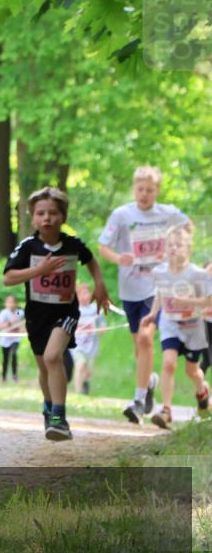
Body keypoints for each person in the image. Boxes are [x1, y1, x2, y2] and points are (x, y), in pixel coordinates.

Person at [3, 187, 110, 441]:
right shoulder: (28, 247)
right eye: (40, 213)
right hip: (37, 315)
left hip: (66, 312)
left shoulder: (72, 245)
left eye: (53, 213)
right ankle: (49, 408)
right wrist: (39, 270)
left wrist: (100, 285)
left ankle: (59, 418)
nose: (47, 218)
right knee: (43, 365)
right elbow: (8, 278)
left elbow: (91, 259)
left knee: (53, 357)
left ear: (63, 216)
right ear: (33, 218)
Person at [97, 166, 191, 423]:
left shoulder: (167, 213)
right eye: (140, 189)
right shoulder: (122, 214)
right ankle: (149, 381)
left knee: (147, 337)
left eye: (150, 190)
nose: (144, 194)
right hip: (130, 288)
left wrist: (174, 251)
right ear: (134, 189)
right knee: (140, 346)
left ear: (157, 191)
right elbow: (103, 246)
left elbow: (188, 228)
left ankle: (138, 401)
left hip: (159, 286)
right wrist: (120, 258)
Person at [140, 226, 212, 427]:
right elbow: (160, 293)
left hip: (193, 327)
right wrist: (153, 314)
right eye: (170, 245)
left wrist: (190, 302)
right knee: (168, 363)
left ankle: (202, 391)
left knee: (192, 371)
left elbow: (208, 301)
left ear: (188, 249)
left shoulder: (197, 274)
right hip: (170, 323)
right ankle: (166, 410)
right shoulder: (161, 272)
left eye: (179, 245)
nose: (174, 249)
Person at [71, 283, 106, 395]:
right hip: (78, 345)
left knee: (88, 371)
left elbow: (102, 324)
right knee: (80, 365)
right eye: (82, 294)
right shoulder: (73, 310)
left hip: (91, 345)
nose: (86, 296)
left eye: (87, 293)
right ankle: (78, 393)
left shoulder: (95, 309)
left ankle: (85, 381)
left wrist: (102, 329)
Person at [0, 294, 24, 383]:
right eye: (9, 302)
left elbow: (22, 322)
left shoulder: (18, 312)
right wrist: (9, 323)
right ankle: (3, 376)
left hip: (15, 338)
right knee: (5, 358)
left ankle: (14, 375)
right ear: (5, 304)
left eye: (13, 302)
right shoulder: (4, 313)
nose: (11, 304)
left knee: (14, 353)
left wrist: (22, 328)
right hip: (5, 339)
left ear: (16, 303)